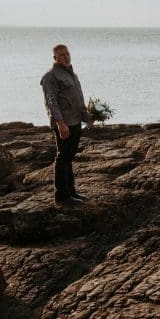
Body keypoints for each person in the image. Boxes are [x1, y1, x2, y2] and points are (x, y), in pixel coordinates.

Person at [40, 44, 91, 205]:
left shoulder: (71, 74)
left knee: (68, 157)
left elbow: (78, 98)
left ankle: (71, 192)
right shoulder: (50, 76)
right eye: (61, 55)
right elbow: (51, 102)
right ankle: (61, 197)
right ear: (55, 58)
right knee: (62, 158)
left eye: (67, 54)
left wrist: (87, 118)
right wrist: (60, 124)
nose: (66, 57)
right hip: (64, 123)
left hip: (76, 121)